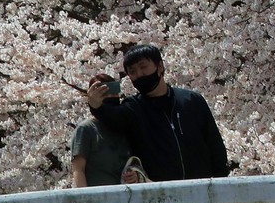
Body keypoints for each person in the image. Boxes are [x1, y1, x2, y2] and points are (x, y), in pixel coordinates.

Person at [87, 44, 230, 181]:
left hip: (202, 189)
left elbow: (214, 144)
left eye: (143, 67)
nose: (139, 74)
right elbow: (113, 118)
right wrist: (95, 106)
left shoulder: (191, 100)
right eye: (132, 72)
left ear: (160, 66)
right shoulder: (134, 108)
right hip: (158, 194)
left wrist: (220, 179)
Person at [71, 73, 136, 203]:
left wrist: (135, 175)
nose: (111, 96)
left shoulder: (124, 126)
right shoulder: (86, 129)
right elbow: (78, 169)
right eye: (103, 91)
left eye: (113, 90)